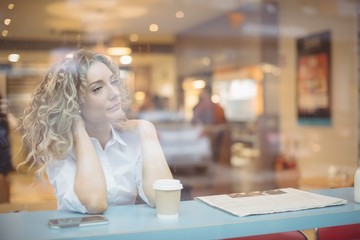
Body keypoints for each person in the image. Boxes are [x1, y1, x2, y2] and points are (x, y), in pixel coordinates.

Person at [19, 49, 173, 214]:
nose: (115, 93)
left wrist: (147, 129)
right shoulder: (59, 146)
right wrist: (78, 129)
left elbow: (163, 199)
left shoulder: (133, 138)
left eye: (113, 82)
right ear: (74, 102)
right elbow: (94, 203)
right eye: (97, 88)